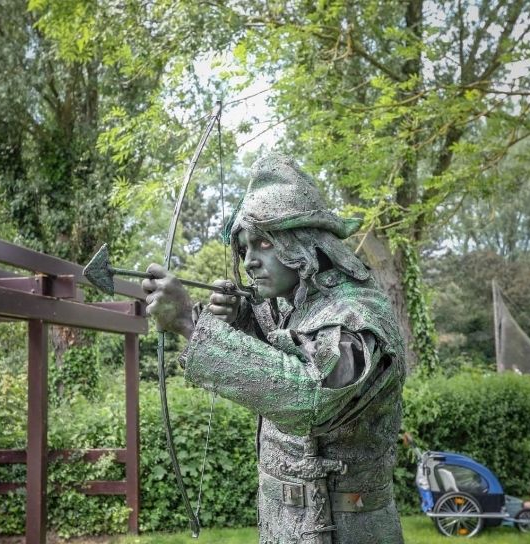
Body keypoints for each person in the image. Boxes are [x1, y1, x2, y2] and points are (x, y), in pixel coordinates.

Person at [142, 154, 406, 543]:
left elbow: (311, 395)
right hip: (284, 525)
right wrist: (242, 319)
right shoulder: (300, 306)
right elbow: (282, 351)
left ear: (305, 242)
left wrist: (188, 324)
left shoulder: (358, 313)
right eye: (244, 248)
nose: (249, 262)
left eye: (263, 243)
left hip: (345, 530)